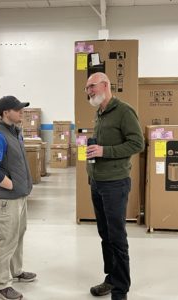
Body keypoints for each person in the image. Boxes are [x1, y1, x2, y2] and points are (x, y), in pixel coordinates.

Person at [85, 72, 144, 300]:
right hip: (97, 182)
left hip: (115, 183)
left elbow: (137, 143)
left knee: (117, 236)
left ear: (105, 85)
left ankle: (120, 290)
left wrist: (104, 151)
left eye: (91, 86)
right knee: (105, 235)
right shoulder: (99, 112)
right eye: (87, 88)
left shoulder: (124, 111)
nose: (89, 91)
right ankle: (111, 279)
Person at [0, 96, 36, 300]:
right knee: (4, 240)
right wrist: (12, 185)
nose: (22, 112)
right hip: (6, 199)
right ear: (6, 112)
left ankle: (15, 271)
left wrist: (22, 188)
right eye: (18, 109)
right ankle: (1, 285)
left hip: (19, 197)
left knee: (18, 234)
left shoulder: (15, 132)